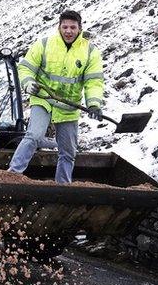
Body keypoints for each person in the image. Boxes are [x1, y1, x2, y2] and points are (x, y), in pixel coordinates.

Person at [8, 10, 104, 183]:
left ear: (79, 29)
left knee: (68, 152)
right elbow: (26, 68)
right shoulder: (45, 44)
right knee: (34, 136)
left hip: (69, 106)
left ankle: (63, 186)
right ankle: (12, 175)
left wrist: (94, 104)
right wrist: (28, 83)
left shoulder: (90, 51)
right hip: (43, 98)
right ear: (59, 27)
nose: (68, 31)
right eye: (65, 27)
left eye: (72, 27)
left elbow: (94, 81)